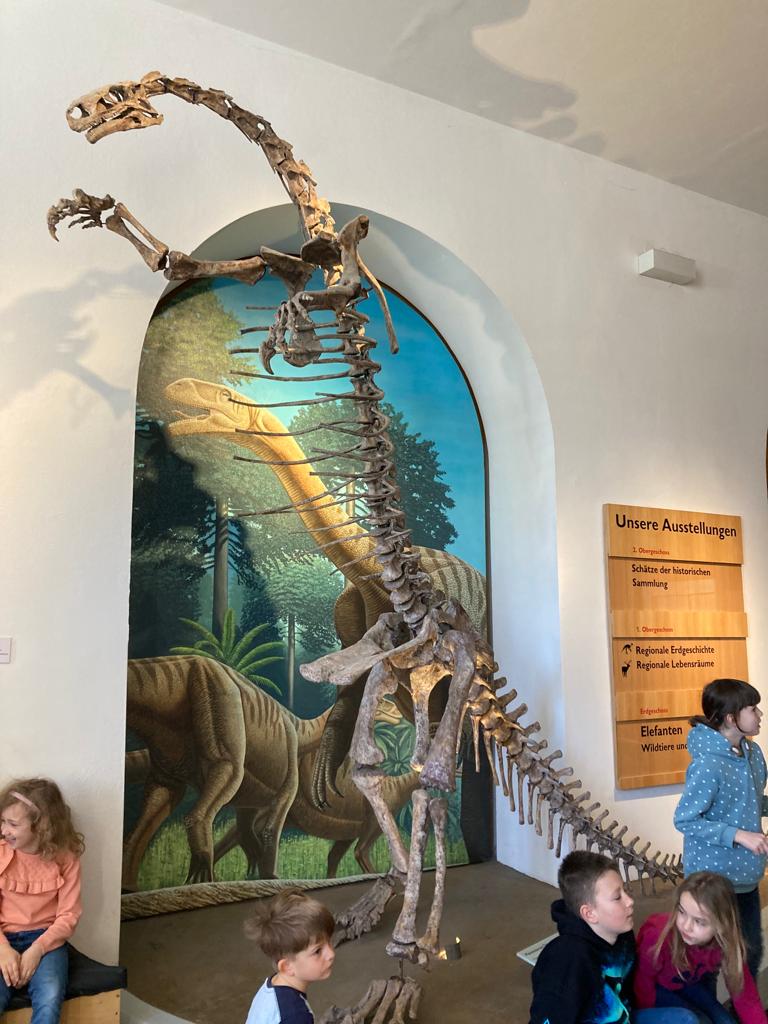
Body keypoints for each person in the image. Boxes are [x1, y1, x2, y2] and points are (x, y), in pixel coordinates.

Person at [529, 850, 698, 1023]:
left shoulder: (622, 934)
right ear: (589, 913)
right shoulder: (568, 960)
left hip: (624, 1016)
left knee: (687, 1019)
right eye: (617, 897)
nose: (630, 901)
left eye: (625, 890)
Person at [674, 678, 768, 979]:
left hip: (746, 876)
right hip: (711, 882)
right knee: (707, 961)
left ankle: (745, 1004)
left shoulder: (753, 754)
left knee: (750, 952)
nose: (760, 714)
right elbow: (685, 819)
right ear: (730, 718)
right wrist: (738, 835)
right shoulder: (707, 765)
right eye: (752, 709)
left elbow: (750, 801)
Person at [0, 778, 84, 1024]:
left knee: (50, 995)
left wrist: (37, 950)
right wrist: (3, 949)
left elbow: (68, 916)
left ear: (41, 826)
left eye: (13, 824)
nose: (4, 830)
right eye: (3, 821)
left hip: (47, 941)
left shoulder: (66, 858)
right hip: (3, 938)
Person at [635, 871, 767, 1024]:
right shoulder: (657, 936)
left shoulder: (724, 943)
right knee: (694, 1020)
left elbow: (745, 996)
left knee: (726, 1021)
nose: (686, 926)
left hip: (686, 984)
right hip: (656, 988)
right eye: (682, 912)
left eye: (699, 922)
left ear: (721, 925)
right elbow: (642, 983)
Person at [244, 889, 335, 1024]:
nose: (331, 954)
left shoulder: (270, 988)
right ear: (287, 966)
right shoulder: (295, 1016)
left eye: (329, 941)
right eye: (317, 951)